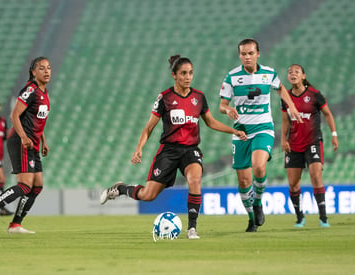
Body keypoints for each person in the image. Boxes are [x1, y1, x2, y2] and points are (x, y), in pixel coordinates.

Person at [100, 55, 247, 239]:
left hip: (190, 150)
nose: (188, 77)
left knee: (195, 180)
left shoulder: (199, 97)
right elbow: (149, 128)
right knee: (148, 195)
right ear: (174, 76)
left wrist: (233, 131)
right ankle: (121, 189)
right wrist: (139, 149)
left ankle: (192, 228)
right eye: (183, 73)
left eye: (190, 73)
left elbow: (210, 122)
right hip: (169, 151)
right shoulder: (165, 98)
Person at [219, 38, 303, 232]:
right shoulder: (232, 77)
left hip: (263, 127)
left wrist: (292, 107)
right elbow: (222, 105)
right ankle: (251, 219)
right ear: (239, 55)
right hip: (241, 131)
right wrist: (227, 109)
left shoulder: (269, 73)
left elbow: (281, 89)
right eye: (243, 54)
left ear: (258, 54)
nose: (246, 57)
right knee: (243, 181)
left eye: (250, 53)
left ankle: (258, 201)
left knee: (258, 166)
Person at [0, 57, 51, 234]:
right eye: (42, 68)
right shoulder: (30, 89)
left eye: (48, 68)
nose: (46, 71)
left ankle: (15, 224)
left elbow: (37, 120)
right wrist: (24, 137)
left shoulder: (44, 92)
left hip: (33, 142)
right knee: (25, 185)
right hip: (21, 141)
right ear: (33, 72)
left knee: (37, 186)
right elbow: (14, 116)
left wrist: (43, 141)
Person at [281, 64, 338, 228]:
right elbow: (285, 120)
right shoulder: (286, 97)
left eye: (296, 72)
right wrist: (283, 140)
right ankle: (300, 217)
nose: (293, 74)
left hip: (313, 141)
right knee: (293, 184)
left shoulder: (314, 95)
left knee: (316, 174)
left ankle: (323, 217)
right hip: (293, 143)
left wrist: (334, 135)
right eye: (290, 72)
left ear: (303, 76)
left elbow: (328, 114)